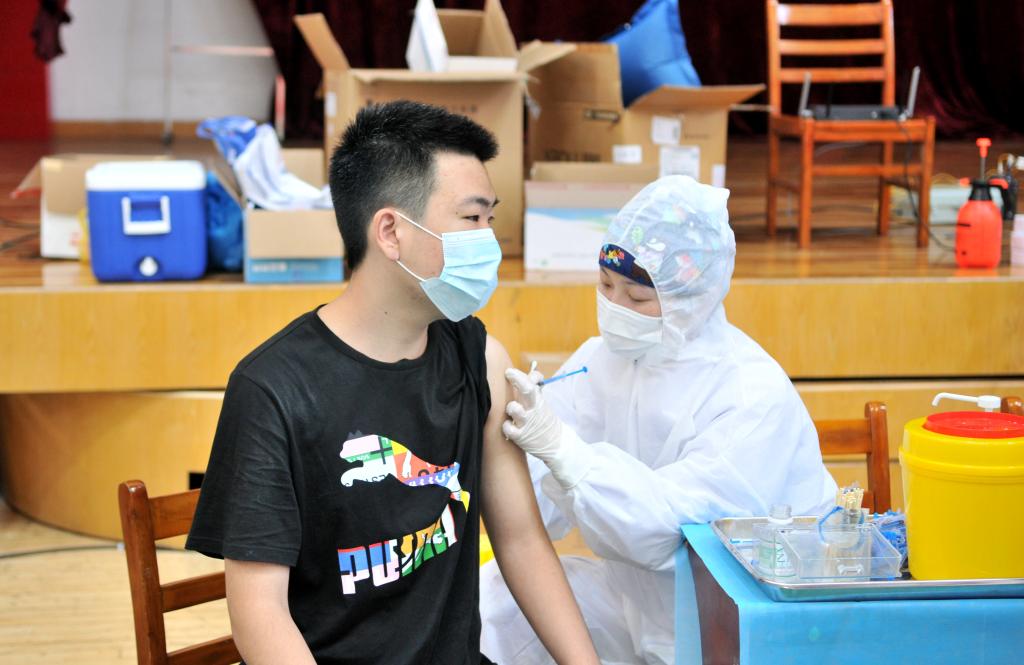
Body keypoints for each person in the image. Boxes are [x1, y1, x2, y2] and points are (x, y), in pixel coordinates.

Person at [187, 100, 599, 665]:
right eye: (471, 219)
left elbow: (522, 540)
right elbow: (260, 614)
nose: (489, 240)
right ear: (390, 231)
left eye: (490, 219)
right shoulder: (274, 390)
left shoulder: (479, 359)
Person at [480, 175, 837, 664]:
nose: (615, 307)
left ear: (692, 299)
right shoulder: (602, 361)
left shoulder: (749, 392)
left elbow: (670, 536)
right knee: (495, 601)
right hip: (639, 600)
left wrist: (568, 455)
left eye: (637, 298)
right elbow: (531, 500)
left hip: (738, 622)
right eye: (606, 286)